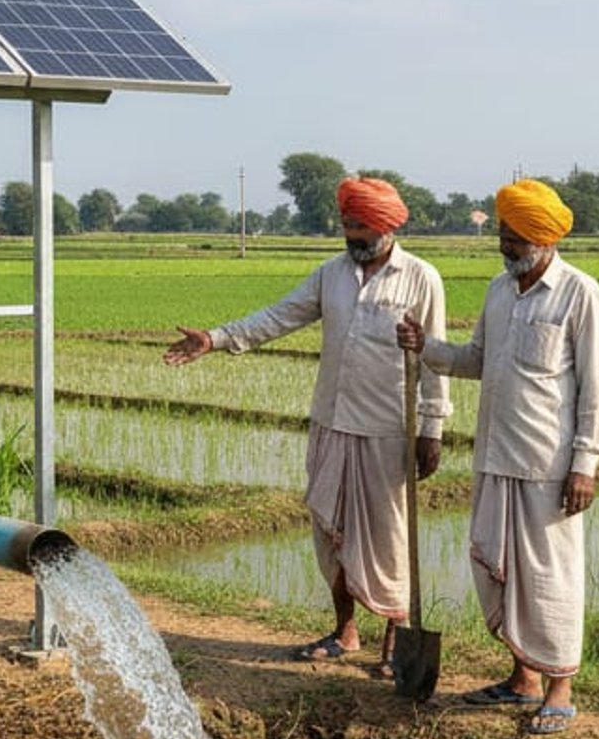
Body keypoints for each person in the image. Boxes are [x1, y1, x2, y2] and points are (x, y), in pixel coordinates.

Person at [165, 177, 447, 673]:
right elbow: (279, 317)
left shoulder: (421, 278)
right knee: (329, 532)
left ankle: (394, 643)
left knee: (388, 539)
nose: (351, 235)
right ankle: (345, 631)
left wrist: (432, 429)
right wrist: (216, 338)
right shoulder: (331, 275)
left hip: (387, 431)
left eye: (360, 226)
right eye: (346, 225)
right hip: (331, 423)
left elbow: (434, 357)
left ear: (385, 226)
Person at [396, 178, 599, 735]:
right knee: (499, 571)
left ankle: (559, 687)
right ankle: (522, 680)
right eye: (503, 235)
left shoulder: (579, 294)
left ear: (544, 239)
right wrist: (426, 349)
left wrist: (585, 463)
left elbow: (594, 388)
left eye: (516, 237)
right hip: (494, 454)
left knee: (550, 579)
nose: (506, 245)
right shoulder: (497, 292)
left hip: (547, 465)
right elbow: (477, 359)